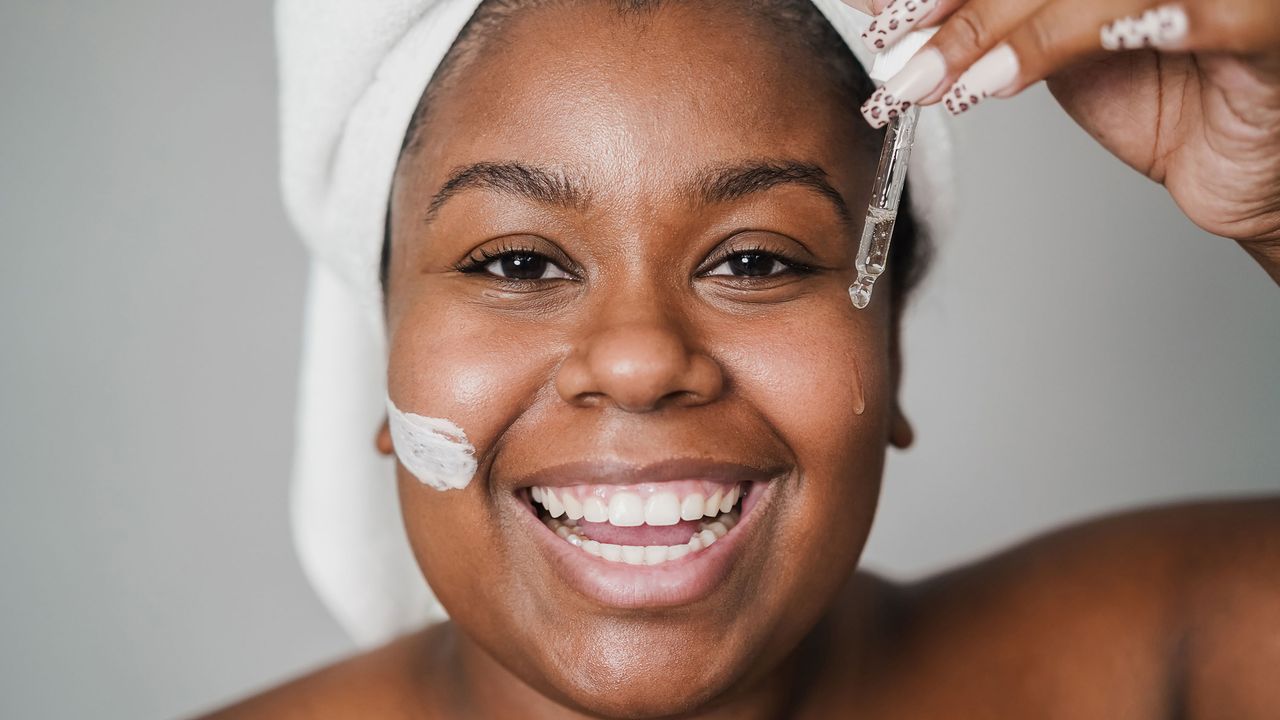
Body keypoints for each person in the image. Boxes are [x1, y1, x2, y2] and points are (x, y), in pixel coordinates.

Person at [202, 0, 1279, 716]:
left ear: (890, 342)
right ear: (384, 342)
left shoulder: (1169, 663)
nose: (636, 361)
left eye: (757, 260)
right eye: (520, 262)